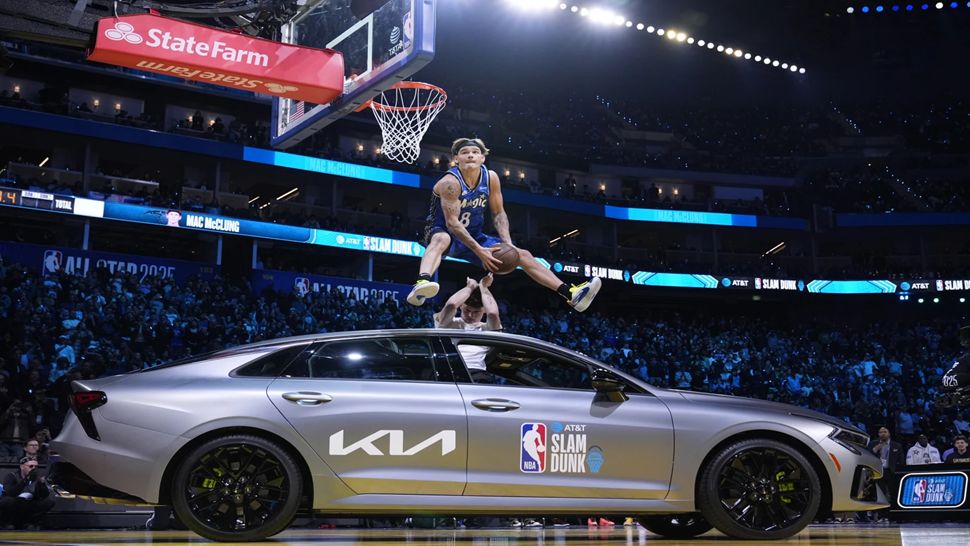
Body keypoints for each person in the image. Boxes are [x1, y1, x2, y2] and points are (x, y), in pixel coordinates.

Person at [407, 138, 601, 313]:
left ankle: (571, 294)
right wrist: (480, 251)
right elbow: (453, 223)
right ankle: (422, 282)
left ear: (483, 158)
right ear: (456, 159)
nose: (470, 155)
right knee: (442, 238)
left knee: (522, 254)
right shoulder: (450, 183)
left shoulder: (490, 178)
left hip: (475, 235)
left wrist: (508, 244)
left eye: (475, 152)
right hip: (441, 231)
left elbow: (499, 214)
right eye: (465, 152)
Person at [434, 274, 500, 379]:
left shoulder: (486, 328)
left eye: (476, 312)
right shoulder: (447, 323)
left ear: (483, 311)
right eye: (467, 310)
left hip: (476, 373)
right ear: (461, 306)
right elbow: (451, 304)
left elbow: (492, 313)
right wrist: (470, 286)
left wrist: (484, 287)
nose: (470, 315)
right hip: (448, 370)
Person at [0, 456, 55, 529]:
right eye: (31, 466)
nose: (34, 468)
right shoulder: (11, 476)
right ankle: (8, 523)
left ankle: (31, 522)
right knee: (8, 501)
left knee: (49, 501)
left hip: (29, 503)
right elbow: (10, 492)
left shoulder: (36, 477)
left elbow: (44, 495)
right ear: (22, 467)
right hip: (15, 502)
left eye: (36, 466)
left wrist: (41, 484)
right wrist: (25, 480)